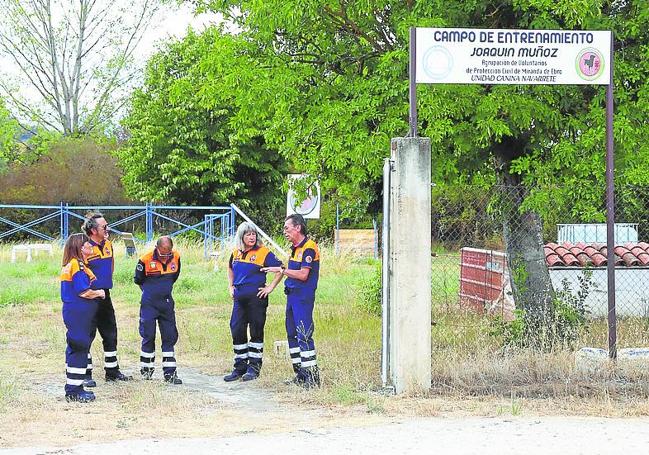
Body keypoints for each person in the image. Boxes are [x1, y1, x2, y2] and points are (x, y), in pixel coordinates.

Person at [261, 214, 321, 388]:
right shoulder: (295, 248)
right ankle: (300, 373)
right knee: (291, 333)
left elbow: (303, 275)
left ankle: (312, 377)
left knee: (303, 333)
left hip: (303, 296)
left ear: (298, 228)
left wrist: (281, 270)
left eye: (287, 228)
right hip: (292, 295)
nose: (284, 231)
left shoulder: (309, 248)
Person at [224, 222, 283, 382]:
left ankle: (254, 368)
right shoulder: (236, 253)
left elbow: (280, 269)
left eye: (253, 234)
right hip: (239, 299)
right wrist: (230, 286)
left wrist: (270, 287)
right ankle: (240, 367)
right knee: (236, 329)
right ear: (241, 236)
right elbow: (230, 268)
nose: (251, 237)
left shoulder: (263, 252)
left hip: (257, 299)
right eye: (248, 234)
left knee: (256, 330)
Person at [81, 212, 131, 386]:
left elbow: (111, 266)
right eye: (104, 226)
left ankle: (112, 371)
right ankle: (85, 374)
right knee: (87, 335)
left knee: (110, 332)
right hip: (89, 296)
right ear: (93, 230)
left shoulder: (108, 244)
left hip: (105, 295)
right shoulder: (84, 247)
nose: (107, 228)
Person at [60, 233, 106, 402]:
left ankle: (74, 385)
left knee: (75, 346)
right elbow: (83, 291)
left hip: (75, 312)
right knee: (79, 347)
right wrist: (99, 293)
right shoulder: (77, 266)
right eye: (87, 245)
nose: (91, 247)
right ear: (80, 248)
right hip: (79, 312)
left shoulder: (74, 264)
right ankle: (74, 390)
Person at [134, 236, 182, 384]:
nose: (165, 256)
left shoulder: (176, 257)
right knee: (148, 335)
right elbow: (138, 280)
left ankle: (170, 373)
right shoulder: (145, 259)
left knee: (169, 336)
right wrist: (150, 292)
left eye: (168, 253)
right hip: (149, 303)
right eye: (162, 253)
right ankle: (146, 371)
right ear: (156, 248)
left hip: (167, 303)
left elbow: (175, 276)